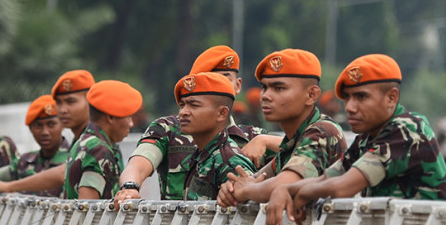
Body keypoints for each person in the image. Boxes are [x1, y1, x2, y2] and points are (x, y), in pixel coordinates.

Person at [265, 54, 446, 225]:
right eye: (347, 97)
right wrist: (285, 190)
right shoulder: (367, 138)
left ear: (391, 98)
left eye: (361, 97)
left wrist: (303, 192)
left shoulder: (407, 128)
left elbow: (343, 187)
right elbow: (327, 178)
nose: (349, 107)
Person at [114, 46, 279, 205]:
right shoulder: (167, 129)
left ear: (238, 85)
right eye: (207, 79)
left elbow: (301, 157)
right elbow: (138, 164)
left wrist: (267, 141)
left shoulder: (252, 137)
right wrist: (130, 187)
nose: (215, 83)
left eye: (224, 77)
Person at [217, 49, 346, 207]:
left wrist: (246, 190)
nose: (265, 96)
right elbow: (258, 180)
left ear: (312, 95)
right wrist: (231, 189)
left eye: (279, 88)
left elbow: (284, 184)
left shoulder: (322, 131)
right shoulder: (292, 142)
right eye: (264, 87)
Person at [0, 69, 95, 199]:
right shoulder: (79, 142)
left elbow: (63, 173)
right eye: (59, 102)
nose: (63, 109)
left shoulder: (93, 140)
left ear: (90, 102)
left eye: (70, 102)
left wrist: (9, 187)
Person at [173, 72, 257, 200]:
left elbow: (248, 212)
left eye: (194, 105)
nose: (183, 112)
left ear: (222, 113)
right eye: (182, 105)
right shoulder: (203, 154)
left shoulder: (229, 162)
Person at [64, 79, 143, 200]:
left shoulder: (83, 142)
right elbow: (87, 207)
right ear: (111, 117)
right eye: (127, 117)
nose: (131, 124)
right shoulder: (98, 150)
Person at [0, 94, 71, 197]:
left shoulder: (73, 159)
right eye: (38, 126)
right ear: (30, 129)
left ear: (63, 125)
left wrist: (9, 187)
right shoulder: (25, 162)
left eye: (51, 124)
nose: (45, 132)